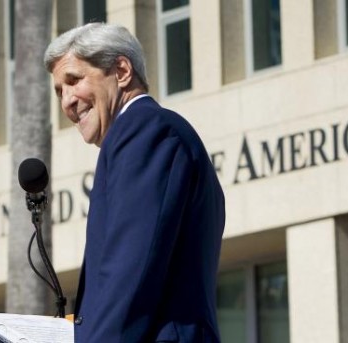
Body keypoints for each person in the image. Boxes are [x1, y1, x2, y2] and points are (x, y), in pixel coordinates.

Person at [44, 23, 225, 342]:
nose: (67, 102)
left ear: (122, 71)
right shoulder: (140, 135)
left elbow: (129, 277)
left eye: (74, 81)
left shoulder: (145, 130)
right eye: (60, 91)